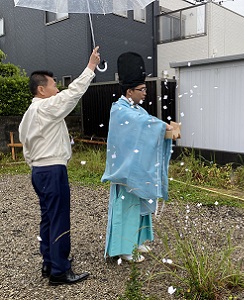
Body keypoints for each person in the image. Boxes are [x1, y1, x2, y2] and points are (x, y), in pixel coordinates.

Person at [18, 47, 101, 285]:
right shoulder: (46, 107)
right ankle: (60, 271)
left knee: (48, 217)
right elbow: (72, 95)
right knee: (60, 218)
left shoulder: (29, 113)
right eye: (54, 85)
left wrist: (35, 164)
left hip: (38, 170)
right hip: (53, 170)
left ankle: (49, 262)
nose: (58, 90)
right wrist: (91, 67)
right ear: (42, 89)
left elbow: (26, 144)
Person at [101, 52, 173, 262]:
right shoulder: (120, 110)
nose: (145, 93)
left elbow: (146, 121)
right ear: (129, 90)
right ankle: (124, 248)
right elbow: (143, 124)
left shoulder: (135, 108)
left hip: (137, 168)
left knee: (140, 206)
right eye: (141, 89)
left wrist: (161, 127)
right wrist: (162, 126)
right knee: (127, 208)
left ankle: (138, 241)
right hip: (125, 171)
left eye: (145, 88)